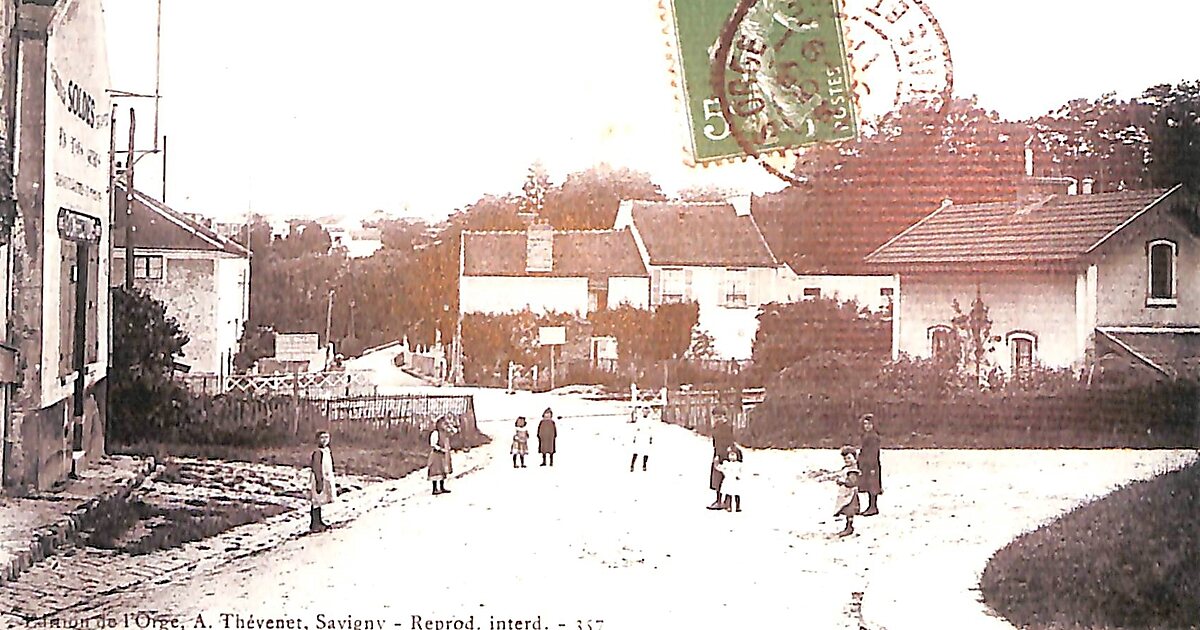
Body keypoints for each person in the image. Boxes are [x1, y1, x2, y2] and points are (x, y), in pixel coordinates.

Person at [818, 446, 861, 537]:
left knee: (849, 510)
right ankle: (848, 526)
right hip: (845, 493)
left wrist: (843, 481)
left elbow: (852, 482)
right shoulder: (847, 468)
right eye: (845, 459)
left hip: (850, 494)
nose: (847, 460)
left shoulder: (853, 470)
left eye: (849, 458)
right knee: (847, 510)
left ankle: (849, 527)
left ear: (855, 458)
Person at [307, 430, 336, 532]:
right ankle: (315, 523)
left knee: (320, 501)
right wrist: (319, 481)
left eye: (326, 438)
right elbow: (316, 467)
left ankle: (319, 521)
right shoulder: (318, 452)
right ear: (317, 439)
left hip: (325, 478)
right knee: (316, 501)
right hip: (319, 478)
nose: (324, 440)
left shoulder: (327, 451)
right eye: (322, 438)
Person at [707, 409, 735, 510]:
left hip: (725, 453)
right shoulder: (716, 427)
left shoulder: (727, 427)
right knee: (717, 478)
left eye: (719, 417)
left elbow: (728, 441)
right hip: (718, 452)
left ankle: (726, 501)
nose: (717, 419)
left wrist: (721, 454)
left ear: (723, 416)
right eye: (715, 417)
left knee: (727, 478)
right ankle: (718, 500)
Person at [858, 413, 882, 516]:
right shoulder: (866, 436)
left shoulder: (873, 437)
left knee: (873, 486)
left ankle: (873, 507)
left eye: (869, 424)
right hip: (866, 464)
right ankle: (870, 506)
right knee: (868, 485)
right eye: (865, 424)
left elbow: (873, 453)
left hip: (872, 464)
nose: (867, 426)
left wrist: (872, 466)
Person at [428, 416, 454, 495]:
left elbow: (454, 432)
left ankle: (442, 487)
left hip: (443, 454)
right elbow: (433, 444)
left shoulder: (444, 433)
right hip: (436, 454)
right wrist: (440, 449)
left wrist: (450, 426)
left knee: (442, 470)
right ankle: (434, 488)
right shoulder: (435, 433)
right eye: (443, 423)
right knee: (435, 470)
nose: (444, 424)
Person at [717, 444, 744, 512]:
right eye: (730, 455)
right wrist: (717, 464)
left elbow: (742, 471)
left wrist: (739, 476)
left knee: (737, 494)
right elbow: (721, 468)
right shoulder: (726, 464)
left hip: (735, 481)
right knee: (728, 493)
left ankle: (738, 506)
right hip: (728, 481)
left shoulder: (738, 464)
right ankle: (728, 506)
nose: (732, 457)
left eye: (733, 455)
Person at [629, 404, 654, 472]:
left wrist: (651, 437)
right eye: (644, 411)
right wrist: (634, 437)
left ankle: (644, 465)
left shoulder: (650, 420)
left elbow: (651, 429)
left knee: (646, 451)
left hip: (646, 437)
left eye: (647, 412)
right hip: (640, 437)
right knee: (636, 451)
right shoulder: (639, 419)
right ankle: (632, 465)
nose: (645, 413)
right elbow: (636, 428)